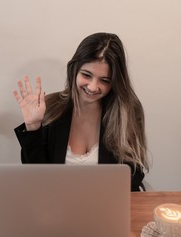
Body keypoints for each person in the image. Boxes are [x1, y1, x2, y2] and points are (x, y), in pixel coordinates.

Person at [13, 32, 148, 191]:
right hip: (56, 207)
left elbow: (132, 179)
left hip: (105, 208)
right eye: (86, 75)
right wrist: (33, 127)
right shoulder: (50, 107)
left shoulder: (127, 111)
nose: (92, 87)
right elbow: (37, 179)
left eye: (104, 80)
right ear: (74, 70)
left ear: (115, 83)